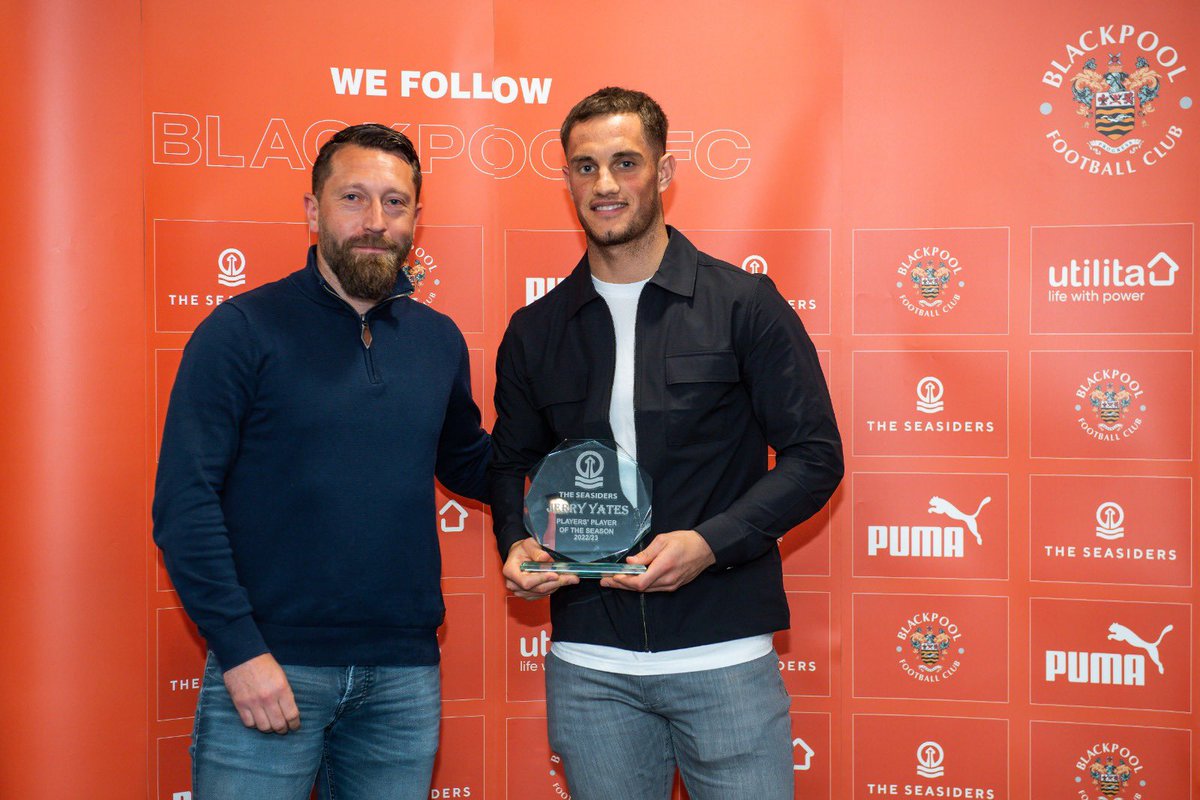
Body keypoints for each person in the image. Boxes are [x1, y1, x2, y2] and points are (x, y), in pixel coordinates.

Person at [489, 88, 843, 799]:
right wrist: (515, 539)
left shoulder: (743, 305)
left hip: (724, 658)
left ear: (665, 170)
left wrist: (709, 543)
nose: (606, 185)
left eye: (625, 162)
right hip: (590, 666)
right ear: (567, 181)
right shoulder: (536, 329)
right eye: (585, 167)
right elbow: (510, 463)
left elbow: (815, 456)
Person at [153, 123, 490, 799]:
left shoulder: (438, 340)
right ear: (312, 210)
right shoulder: (242, 330)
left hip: (403, 678)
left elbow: (471, 462)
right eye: (353, 198)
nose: (374, 221)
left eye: (395, 203)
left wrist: (574, 446)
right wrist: (242, 651)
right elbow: (183, 502)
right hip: (273, 665)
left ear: (417, 220)